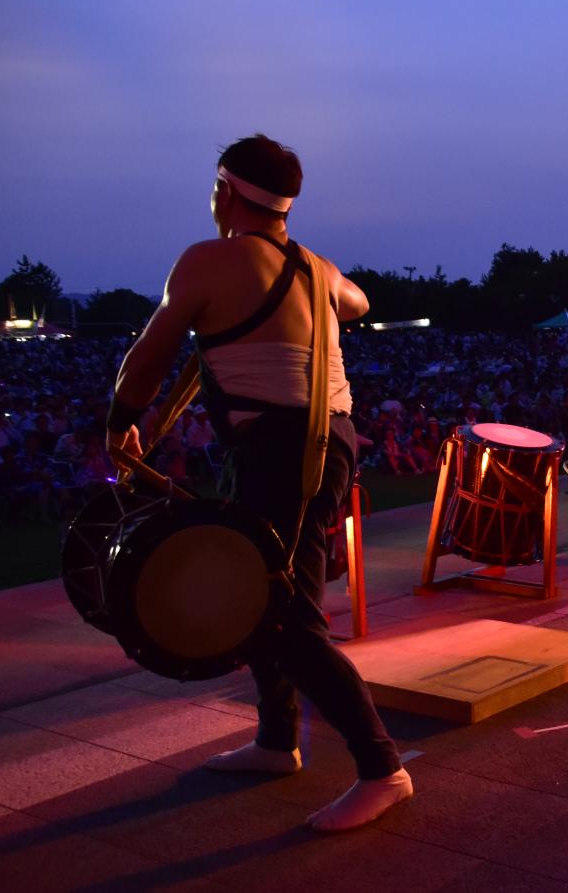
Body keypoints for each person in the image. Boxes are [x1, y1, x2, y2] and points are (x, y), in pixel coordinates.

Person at [106, 134, 411, 831]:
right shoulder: (319, 268)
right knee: (266, 598)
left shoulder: (208, 260)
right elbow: (358, 302)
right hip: (324, 441)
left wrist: (121, 422)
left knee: (280, 611)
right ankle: (278, 739)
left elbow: (147, 358)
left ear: (227, 191)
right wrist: (315, 296)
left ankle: (382, 768)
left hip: (281, 449)